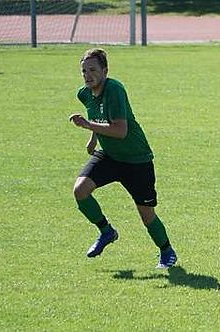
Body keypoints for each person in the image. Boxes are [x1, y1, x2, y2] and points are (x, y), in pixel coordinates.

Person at [69, 48, 178, 268]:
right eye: (84, 71)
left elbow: (120, 130)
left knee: (146, 214)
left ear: (105, 71)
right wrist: (93, 138)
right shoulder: (84, 93)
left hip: (136, 159)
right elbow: (98, 114)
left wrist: (89, 126)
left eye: (93, 70)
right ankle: (106, 231)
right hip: (110, 155)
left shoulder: (115, 89)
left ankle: (167, 251)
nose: (88, 75)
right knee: (80, 190)